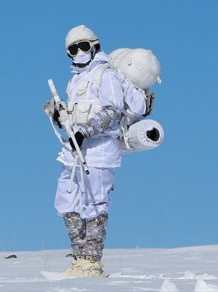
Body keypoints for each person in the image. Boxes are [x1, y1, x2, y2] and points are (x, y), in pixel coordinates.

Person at [47, 25, 146, 277]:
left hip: (100, 150)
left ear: (94, 46)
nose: (79, 52)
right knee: (66, 201)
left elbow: (112, 110)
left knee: (94, 203)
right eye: (73, 49)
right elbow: (75, 114)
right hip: (73, 151)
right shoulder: (75, 80)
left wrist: (85, 132)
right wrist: (60, 117)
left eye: (84, 46)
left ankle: (92, 262)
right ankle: (79, 257)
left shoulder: (106, 75)